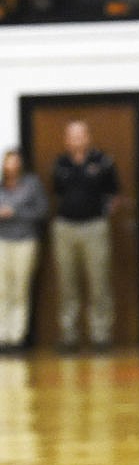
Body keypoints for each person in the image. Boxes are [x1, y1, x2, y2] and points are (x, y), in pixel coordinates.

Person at [51, 120, 120, 350]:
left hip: (94, 227)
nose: (76, 139)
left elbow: (114, 193)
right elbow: (57, 192)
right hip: (65, 228)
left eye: (80, 134)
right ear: (66, 139)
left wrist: (103, 212)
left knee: (99, 282)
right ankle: (68, 336)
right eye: (71, 135)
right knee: (67, 283)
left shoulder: (103, 161)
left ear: (88, 136)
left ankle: (100, 335)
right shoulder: (60, 163)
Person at [0, 149, 48, 351]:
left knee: (20, 289)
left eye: (15, 162)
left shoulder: (32, 185)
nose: (11, 166)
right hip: (3, 240)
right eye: (8, 163)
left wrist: (16, 212)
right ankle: (3, 335)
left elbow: (42, 210)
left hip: (25, 241)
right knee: (3, 290)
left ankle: (18, 336)